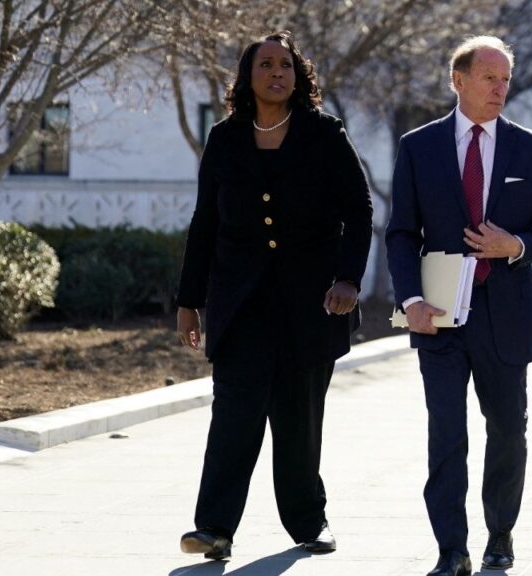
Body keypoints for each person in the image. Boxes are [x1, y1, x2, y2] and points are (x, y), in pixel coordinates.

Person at [174, 30, 372, 561]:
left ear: (298, 76)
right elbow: (205, 221)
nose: (276, 73)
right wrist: (189, 300)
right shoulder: (223, 138)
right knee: (233, 418)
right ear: (248, 75)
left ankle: (310, 522)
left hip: (312, 305)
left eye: (286, 65)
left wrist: (349, 279)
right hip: (240, 305)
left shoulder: (325, 134)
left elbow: (359, 209)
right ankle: (214, 528)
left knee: (298, 421)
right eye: (265, 64)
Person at [386, 36, 532, 576]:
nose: (500, 88)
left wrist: (515, 245)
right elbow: (401, 234)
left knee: (507, 429)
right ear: (458, 80)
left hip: (505, 314)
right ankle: (451, 549)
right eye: (489, 78)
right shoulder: (418, 147)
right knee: (447, 433)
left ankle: (499, 533)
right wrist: (411, 299)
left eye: (506, 79)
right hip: (439, 315)